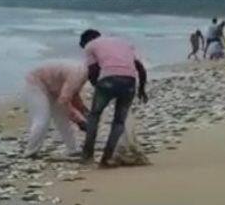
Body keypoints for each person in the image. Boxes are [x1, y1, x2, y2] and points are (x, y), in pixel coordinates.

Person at [79, 29, 148, 168]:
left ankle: (87, 156)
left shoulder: (90, 45)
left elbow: (93, 70)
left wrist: (97, 86)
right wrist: (141, 89)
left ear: (87, 40)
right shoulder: (124, 43)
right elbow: (140, 68)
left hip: (108, 80)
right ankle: (106, 159)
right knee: (119, 122)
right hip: (129, 81)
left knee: (94, 117)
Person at [23, 62, 89, 158]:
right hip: (36, 82)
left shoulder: (83, 73)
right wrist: (80, 121)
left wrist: (83, 110)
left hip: (53, 85)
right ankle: (30, 151)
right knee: (42, 119)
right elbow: (64, 101)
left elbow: (73, 94)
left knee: (62, 118)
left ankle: (73, 149)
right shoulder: (78, 74)